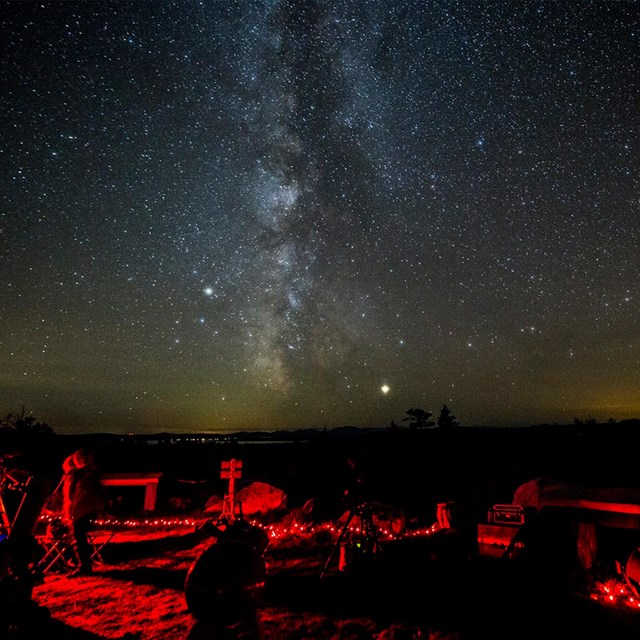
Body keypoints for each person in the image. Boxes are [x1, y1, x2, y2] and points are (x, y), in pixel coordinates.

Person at [61, 448, 105, 576]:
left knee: (78, 539)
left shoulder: (85, 475)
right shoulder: (84, 475)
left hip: (82, 510)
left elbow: (77, 495)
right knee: (76, 538)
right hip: (82, 510)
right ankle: (77, 563)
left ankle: (83, 566)